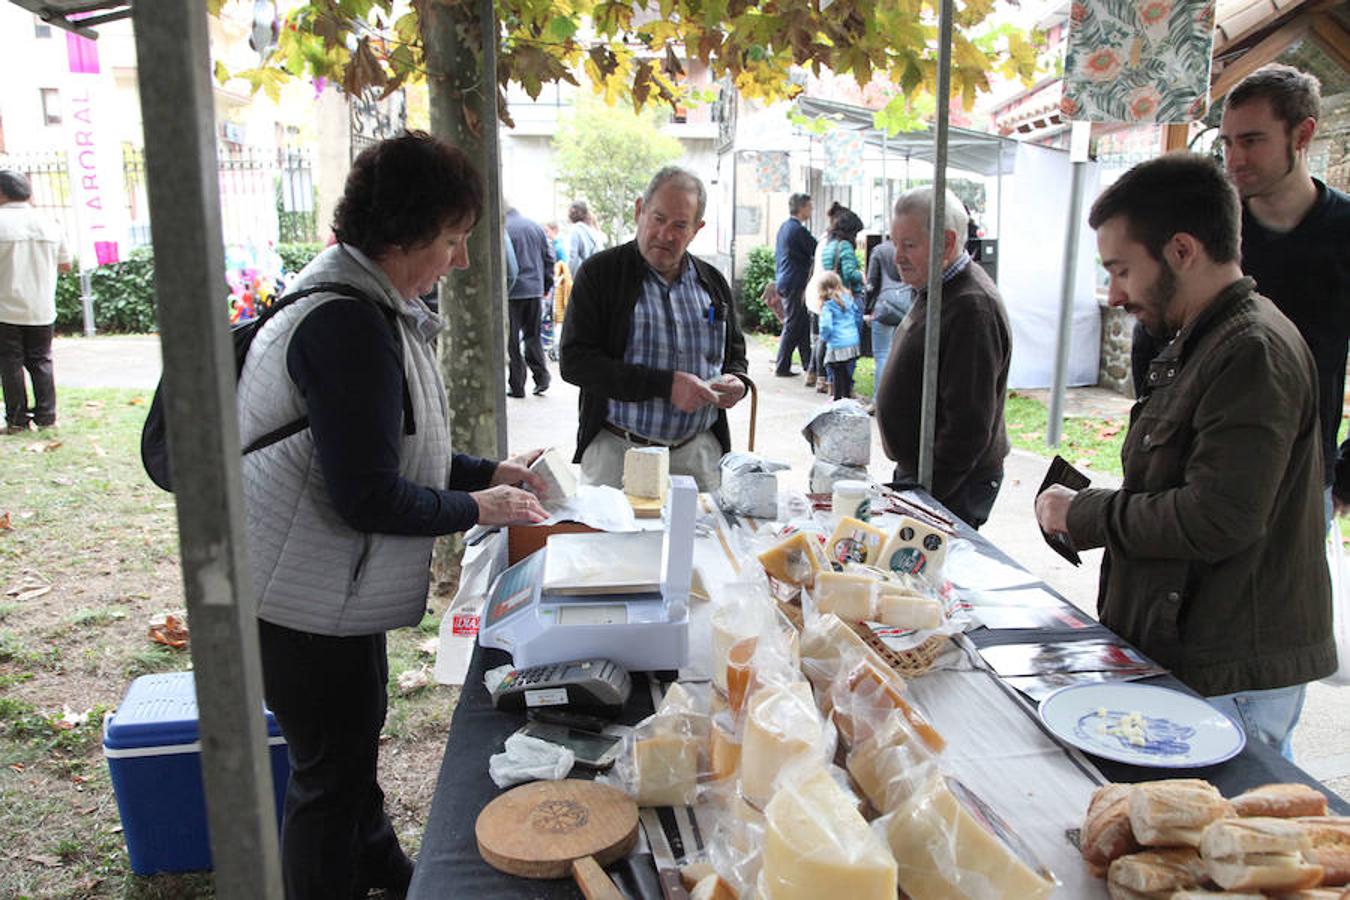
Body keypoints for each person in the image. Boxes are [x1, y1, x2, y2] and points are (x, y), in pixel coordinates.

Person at [235, 131, 550, 899]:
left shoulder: (372, 306)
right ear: (405, 237)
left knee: (349, 761)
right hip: (299, 605)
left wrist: (488, 471)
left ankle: (385, 873)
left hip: (321, 595)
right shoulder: (346, 325)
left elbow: (388, 448)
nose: (463, 260)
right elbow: (367, 493)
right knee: (328, 778)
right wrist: (479, 504)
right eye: (453, 239)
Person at [1035, 153, 1335, 759]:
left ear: (1180, 250)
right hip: (1200, 657)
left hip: (1231, 676)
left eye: (1121, 270)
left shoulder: (1250, 348)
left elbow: (1217, 517)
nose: (1115, 294)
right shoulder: (1206, 339)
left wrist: (1082, 514)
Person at [1130, 65, 1350, 522]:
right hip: (1194, 470)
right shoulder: (1205, 232)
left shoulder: (1344, 231)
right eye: (1227, 142)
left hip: (1300, 473)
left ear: (1302, 134)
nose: (1234, 159)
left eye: (1252, 140)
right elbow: (1152, 335)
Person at [559, 166, 750, 491]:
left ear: (696, 229)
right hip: (618, 454)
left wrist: (737, 380)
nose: (665, 234)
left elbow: (734, 353)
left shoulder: (712, 281)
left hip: (698, 456)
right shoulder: (601, 274)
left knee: (701, 543)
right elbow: (575, 362)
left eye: (679, 225)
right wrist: (665, 385)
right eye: (658, 219)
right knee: (610, 544)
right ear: (639, 210)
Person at [875, 186, 1011, 529]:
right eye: (896, 242)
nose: (897, 256)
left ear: (947, 244)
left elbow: (968, 425)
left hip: (950, 487)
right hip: (926, 476)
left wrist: (926, 497)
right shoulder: (938, 287)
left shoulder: (970, 306)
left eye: (910, 245)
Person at [0, 170, 72, 434]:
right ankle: (47, 416)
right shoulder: (49, 222)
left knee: (10, 363)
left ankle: (17, 420)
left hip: (5, 306)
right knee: (41, 360)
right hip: (41, 306)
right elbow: (65, 264)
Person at [811, 203, 865, 395]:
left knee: (829, 344)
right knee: (850, 345)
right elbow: (850, 274)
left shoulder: (829, 245)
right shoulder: (845, 247)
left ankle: (830, 384)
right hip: (846, 296)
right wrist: (862, 276)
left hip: (830, 297)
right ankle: (847, 388)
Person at [505, 206, 555, 397]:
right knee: (533, 336)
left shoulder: (504, 228)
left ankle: (517, 385)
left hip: (512, 292)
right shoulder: (535, 227)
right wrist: (545, 286)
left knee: (512, 342)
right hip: (534, 290)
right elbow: (549, 259)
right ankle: (542, 377)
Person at [773, 192, 817, 378]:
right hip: (795, 281)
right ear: (802, 207)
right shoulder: (798, 230)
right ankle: (782, 365)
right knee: (793, 324)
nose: (812, 210)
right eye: (810, 206)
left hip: (785, 279)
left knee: (801, 323)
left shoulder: (785, 227)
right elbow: (816, 248)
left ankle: (808, 364)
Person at [864, 237, 912, 394]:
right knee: (902, 356)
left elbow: (871, 284)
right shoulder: (912, 249)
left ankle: (879, 399)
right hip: (907, 307)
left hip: (884, 307)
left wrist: (867, 309)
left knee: (882, 355)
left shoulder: (879, 250)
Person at [817, 271, 863, 402]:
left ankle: (837, 399)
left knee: (836, 371)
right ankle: (847, 397)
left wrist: (824, 337)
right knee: (846, 372)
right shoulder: (848, 299)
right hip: (852, 341)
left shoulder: (828, 305)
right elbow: (855, 315)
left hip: (837, 343)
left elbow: (826, 326)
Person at [566, 200, 604, 273]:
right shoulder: (593, 230)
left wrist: (568, 275)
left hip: (583, 275)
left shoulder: (575, 230)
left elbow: (572, 257)